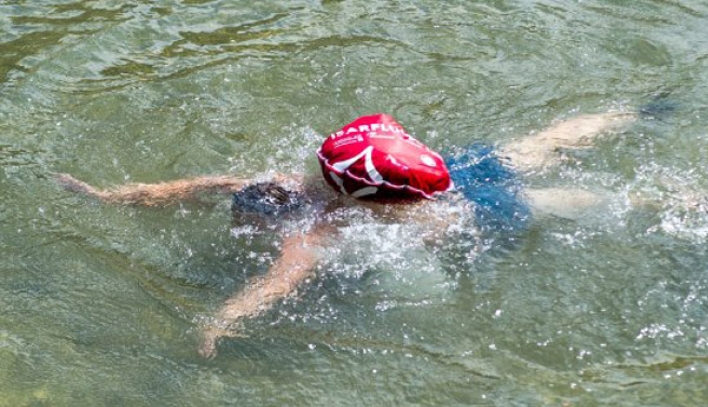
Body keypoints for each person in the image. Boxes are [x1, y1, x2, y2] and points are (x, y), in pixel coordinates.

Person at [57, 111, 636, 358]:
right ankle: (629, 116)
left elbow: (280, 280)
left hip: (484, 211)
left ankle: (669, 200)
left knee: (549, 201)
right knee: (538, 145)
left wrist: (221, 319)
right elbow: (204, 185)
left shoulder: (315, 223)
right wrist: (111, 196)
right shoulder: (384, 182)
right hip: (457, 170)